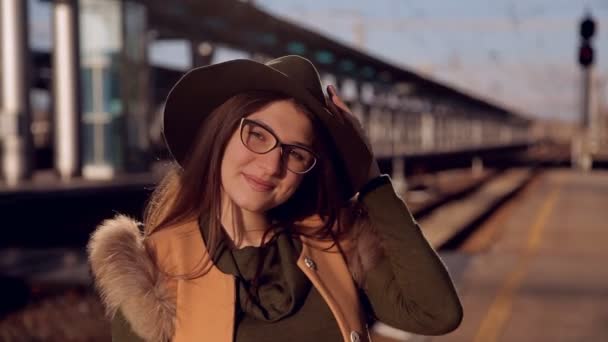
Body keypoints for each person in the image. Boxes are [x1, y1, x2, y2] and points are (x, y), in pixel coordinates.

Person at [87, 55, 463, 342]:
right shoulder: (154, 271)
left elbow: (436, 314)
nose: (271, 166)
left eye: (296, 153)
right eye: (258, 135)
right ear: (220, 133)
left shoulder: (335, 243)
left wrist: (370, 180)